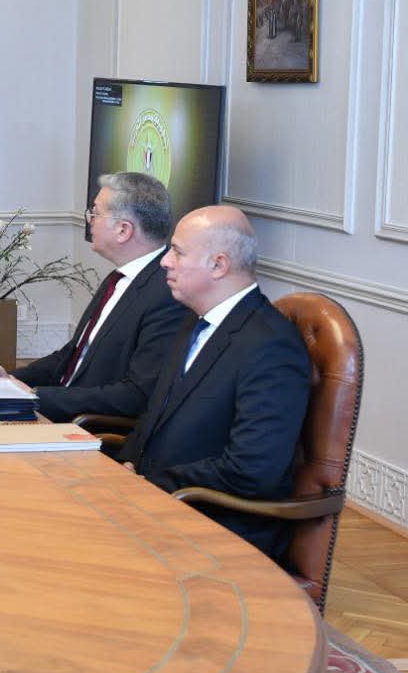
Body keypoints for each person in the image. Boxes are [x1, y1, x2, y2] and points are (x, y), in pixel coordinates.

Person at [118, 205, 311, 561]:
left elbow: (252, 469)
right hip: (158, 506)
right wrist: (126, 464)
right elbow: (156, 415)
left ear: (219, 265)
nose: (164, 262)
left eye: (177, 252)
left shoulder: (271, 347)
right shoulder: (195, 321)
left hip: (216, 529)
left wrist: (150, 485)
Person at [0, 172, 189, 421]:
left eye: (95, 213)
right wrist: (11, 380)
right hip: (57, 409)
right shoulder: (119, 278)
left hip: (84, 426)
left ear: (123, 230)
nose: (89, 220)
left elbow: (134, 395)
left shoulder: (166, 296)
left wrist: (36, 396)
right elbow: (72, 354)